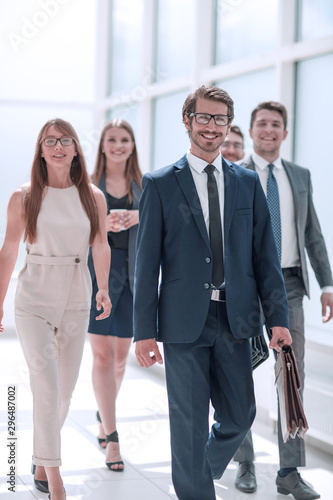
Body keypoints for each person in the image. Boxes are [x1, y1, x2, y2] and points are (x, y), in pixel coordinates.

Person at [133, 85, 292, 500]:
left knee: (240, 417)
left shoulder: (246, 183)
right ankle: (195, 491)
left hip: (236, 319)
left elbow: (265, 258)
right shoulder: (160, 183)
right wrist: (143, 331)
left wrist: (278, 320)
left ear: (228, 125)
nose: (211, 126)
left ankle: (194, 476)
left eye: (219, 118)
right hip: (183, 321)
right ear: (188, 121)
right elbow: (146, 265)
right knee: (187, 424)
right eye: (203, 117)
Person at [0, 118, 111, 500]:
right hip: (33, 299)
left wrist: (104, 288)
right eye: (50, 141)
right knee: (46, 387)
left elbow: (101, 245)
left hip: (77, 298)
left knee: (64, 393)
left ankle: (41, 457)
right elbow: (9, 252)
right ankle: (55, 481)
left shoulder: (93, 196)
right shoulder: (24, 196)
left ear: (77, 149)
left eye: (66, 140)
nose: (58, 146)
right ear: (41, 150)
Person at [233, 101, 333, 500]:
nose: (269, 130)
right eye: (262, 124)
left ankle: (289, 471)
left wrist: (327, 284)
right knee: (238, 374)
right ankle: (244, 460)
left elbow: (313, 234)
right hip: (244, 287)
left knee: (292, 376)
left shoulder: (299, 175)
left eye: (276, 124)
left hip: (289, 284)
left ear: (285, 133)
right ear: (252, 131)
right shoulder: (235, 175)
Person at [88, 119, 142, 471]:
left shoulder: (145, 186)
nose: (119, 145)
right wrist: (99, 224)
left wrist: (135, 216)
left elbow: (167, 223)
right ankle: (113, 437)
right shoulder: (88, 186)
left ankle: (102, 411)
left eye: (125, 139)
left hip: (133, 277)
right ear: (103, 145)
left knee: (121, 360)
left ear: (132, 145)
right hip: (97, 276)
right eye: (112, 139)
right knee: (103, 358)